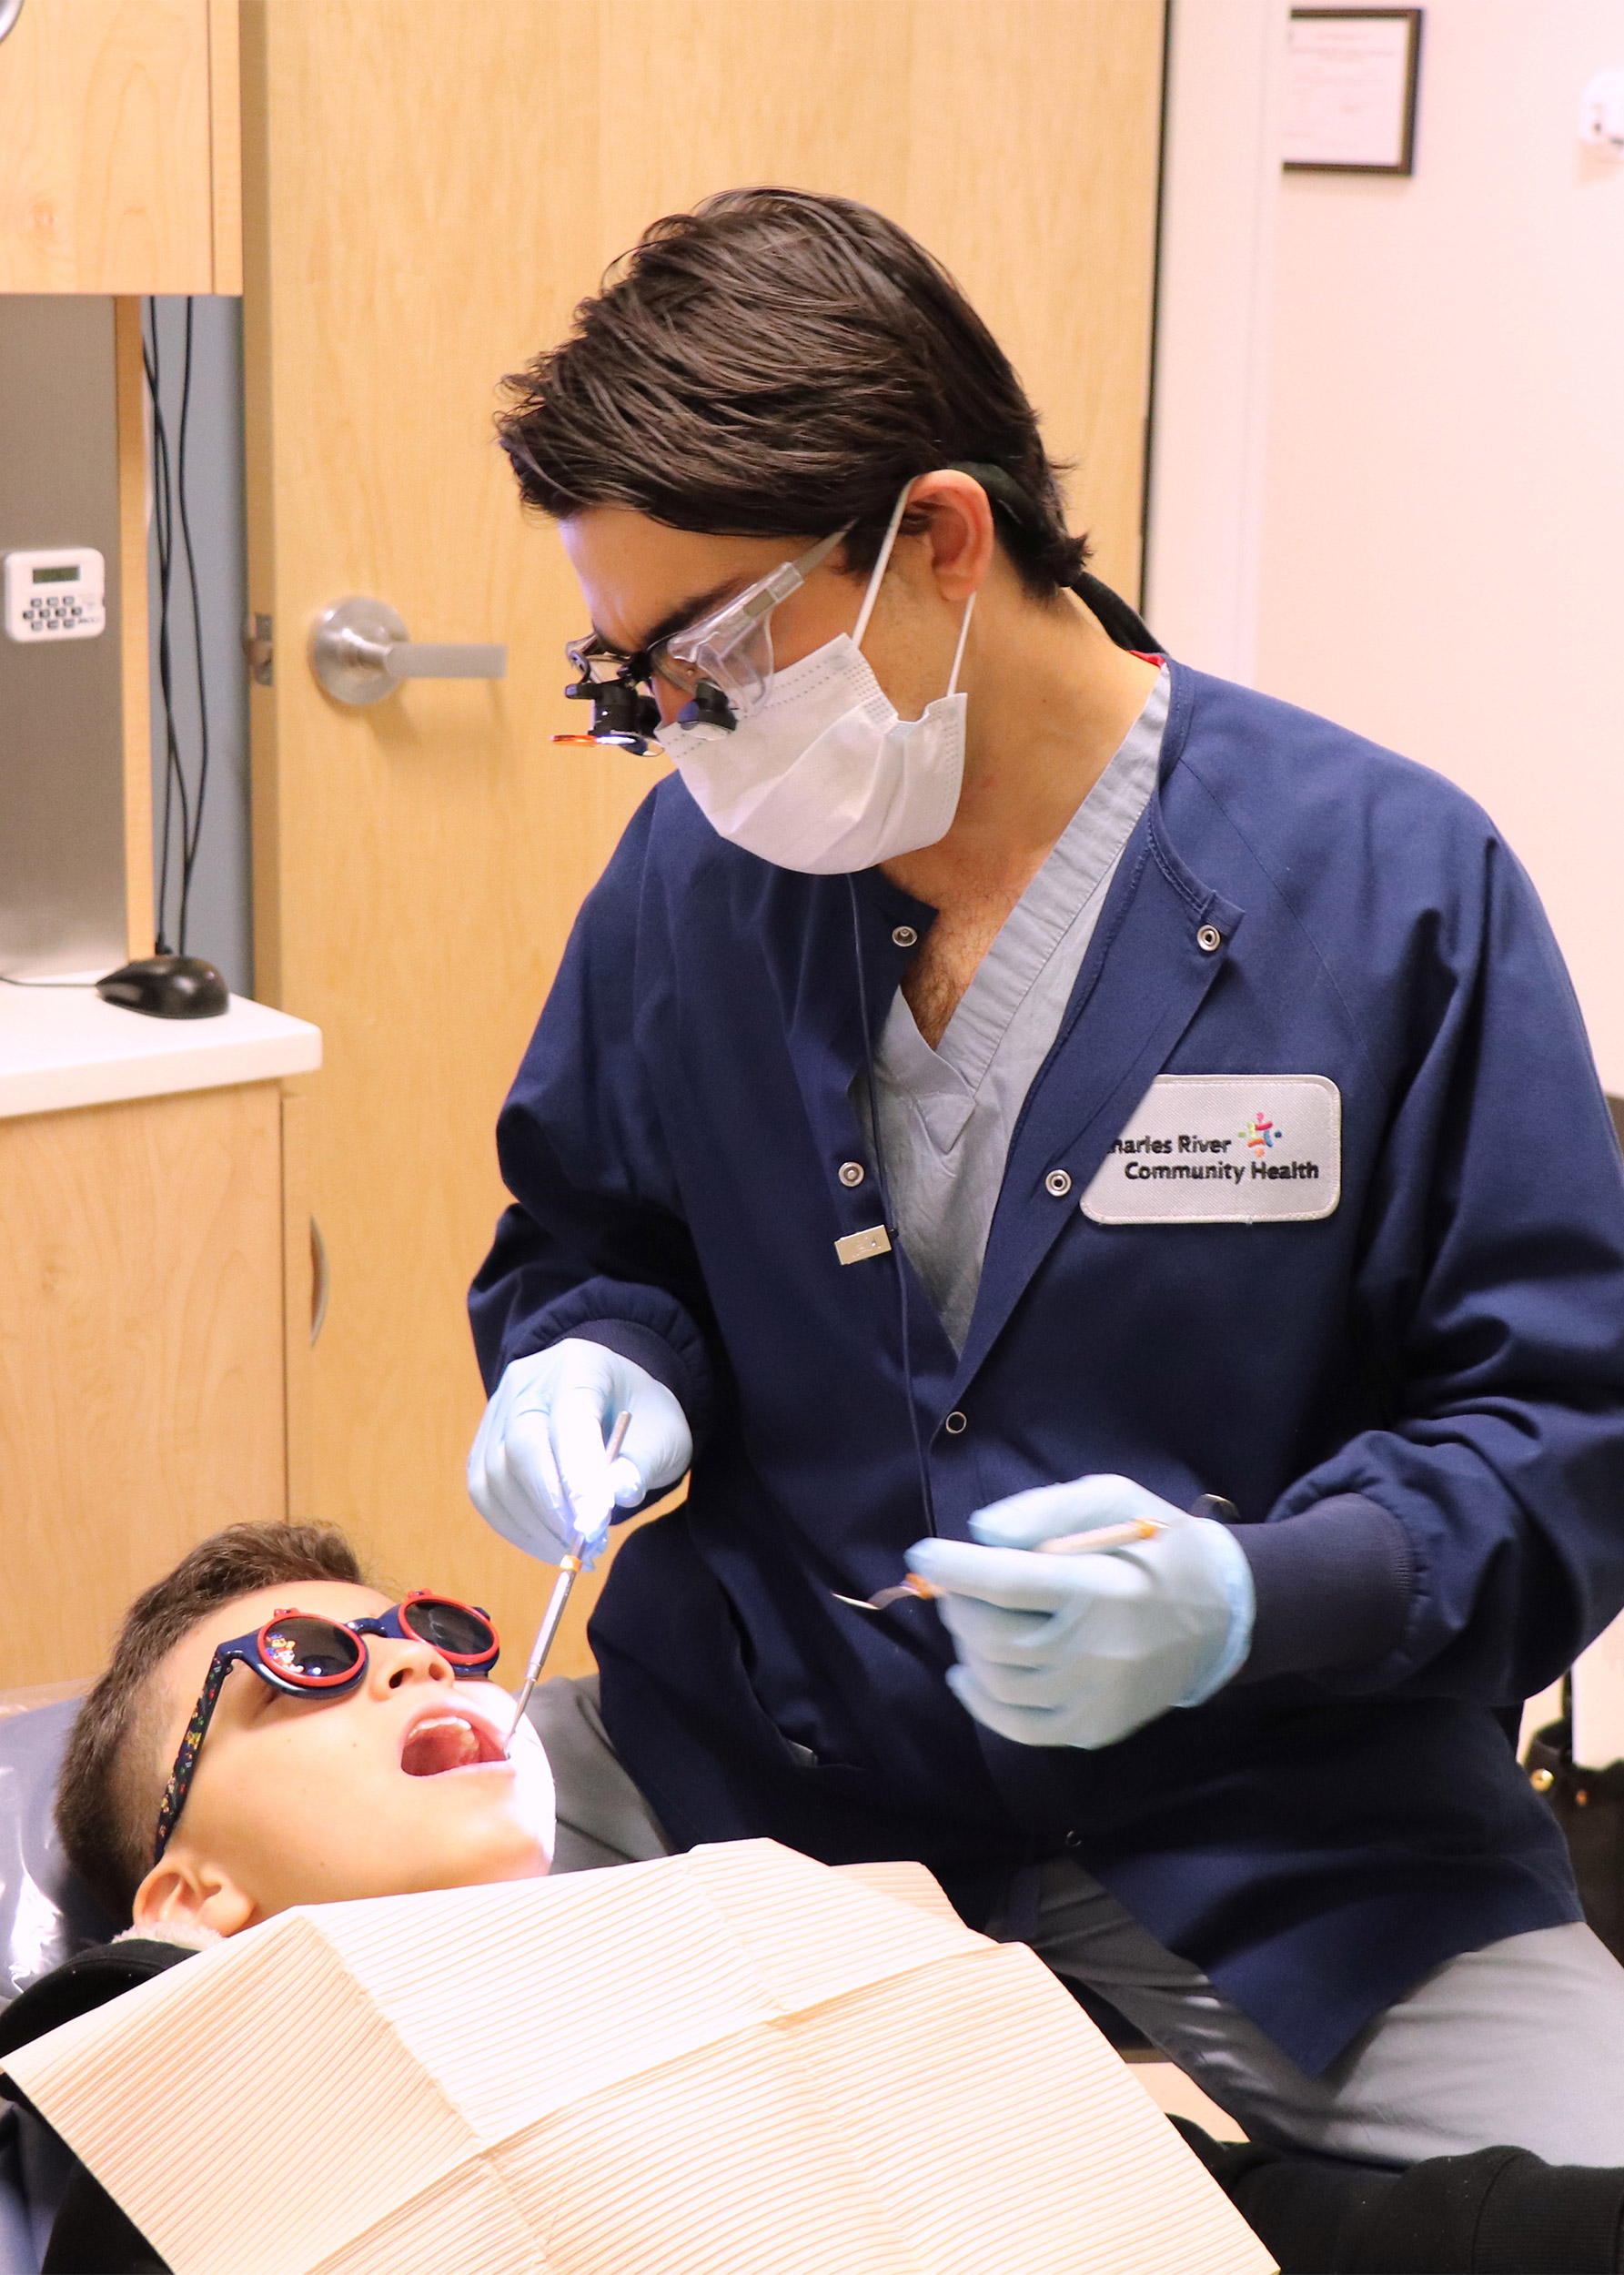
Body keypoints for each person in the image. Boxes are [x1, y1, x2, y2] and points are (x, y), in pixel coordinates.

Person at [464, 187, 1624, 2171]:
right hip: (756, 1771)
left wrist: (1247, 1592)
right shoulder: (697, 879)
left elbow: (1556, 1427)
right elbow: (598, 1236)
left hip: (1283, 1833)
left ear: (936, 537)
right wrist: (598, 1357)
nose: (681, 732)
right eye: (628, 677)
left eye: (716, 652)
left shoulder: (1387, 887)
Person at [13, 1521, 1624, 2275]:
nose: (417, 1660)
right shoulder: (198, 2117)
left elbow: (1259, 2227)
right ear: (194, 1886)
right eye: (303, 1665)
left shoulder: (787, 1930)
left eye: (435, 1628)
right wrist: (148, 1993)